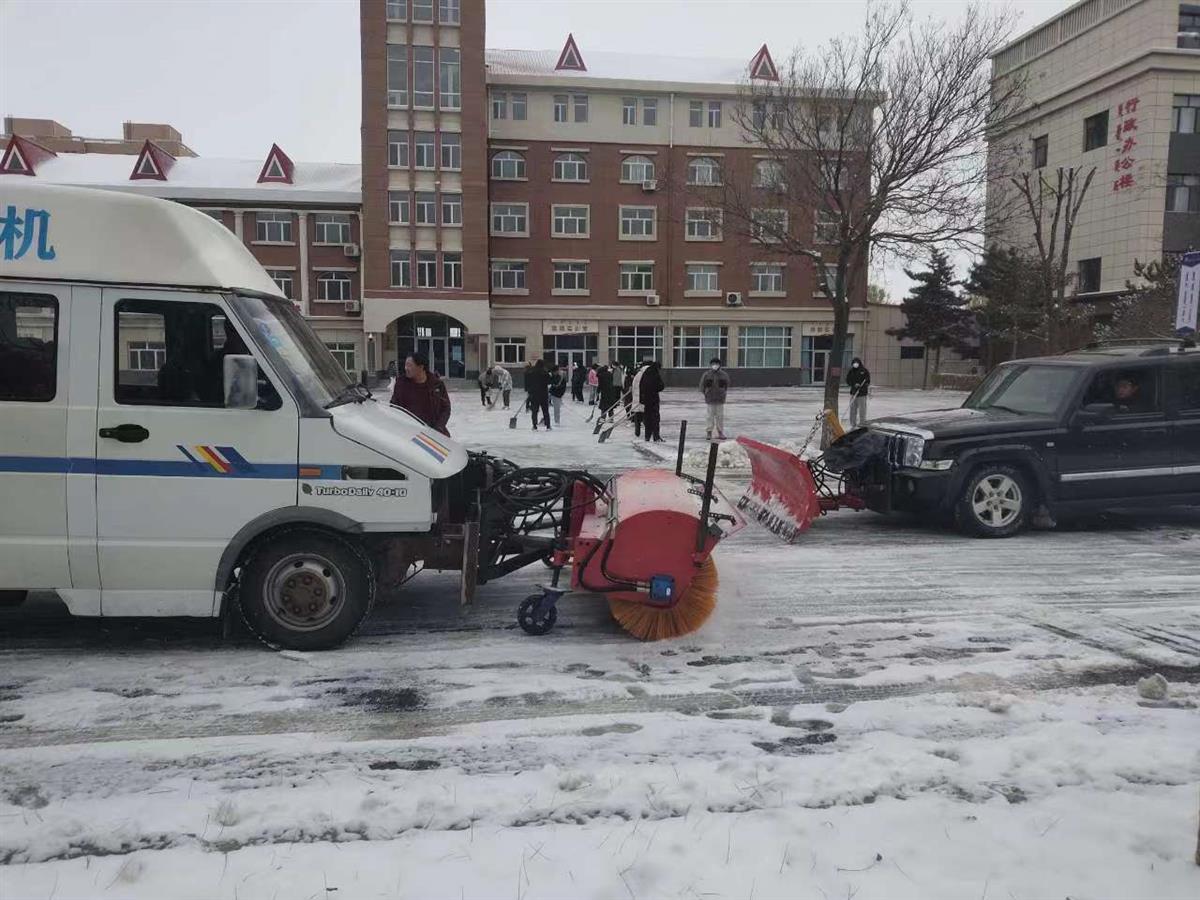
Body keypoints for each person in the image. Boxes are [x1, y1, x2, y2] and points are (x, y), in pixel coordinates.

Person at [390, 352, 451, 436]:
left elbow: (446, 408)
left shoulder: (436, 384)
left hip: (434, 432)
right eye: (405, 365)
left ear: (421, 367)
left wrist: (438, 428)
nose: (406, 368)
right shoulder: (401, 383)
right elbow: (394, 407)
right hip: (409, 433)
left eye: (409, 365)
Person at [700, 357, 730, 441]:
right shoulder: (706, 374)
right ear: (711, 365)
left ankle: (720, 432)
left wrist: (723, 393)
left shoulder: (724, 375)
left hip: (720, 399)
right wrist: (706, 393)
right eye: (713, 364)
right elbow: (702, 386)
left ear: (719, 365)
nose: (715, 366)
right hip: (710, 399)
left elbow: (727, 385)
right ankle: (709, 432)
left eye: (716, 364)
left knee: (720, 417)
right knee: (710, 416)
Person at [639, 360, 665, 442]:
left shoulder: (645, 374)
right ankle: (656, 436)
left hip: (646, 400)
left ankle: (647, 436)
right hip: (653, 399)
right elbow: (661, 386)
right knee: (655, 418)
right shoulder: (655, 374)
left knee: (648, 418)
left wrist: (642, 399)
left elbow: (641, 386)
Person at [526, 358, 552, 430]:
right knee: (545, 411)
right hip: (543, 394)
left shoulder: (531, 372)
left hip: (534, 394)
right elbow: (549, 382)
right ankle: (548, 425)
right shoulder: (545, 372)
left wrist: (529, 390)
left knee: (534, 411)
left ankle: (534, 425)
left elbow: (528, 382)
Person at [846, 357, 871, 428]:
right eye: (854, 363)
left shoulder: (864, 371)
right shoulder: (851, 371)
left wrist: (862, 386)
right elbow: (848, 380)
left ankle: (862, 423)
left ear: (859, 363)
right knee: (852, 409)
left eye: (856, 363)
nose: (855, 364)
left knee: (862, 410)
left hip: (862, 394)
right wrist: (854, 384)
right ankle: (852, 424)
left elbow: (867, 381)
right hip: (853, 393)